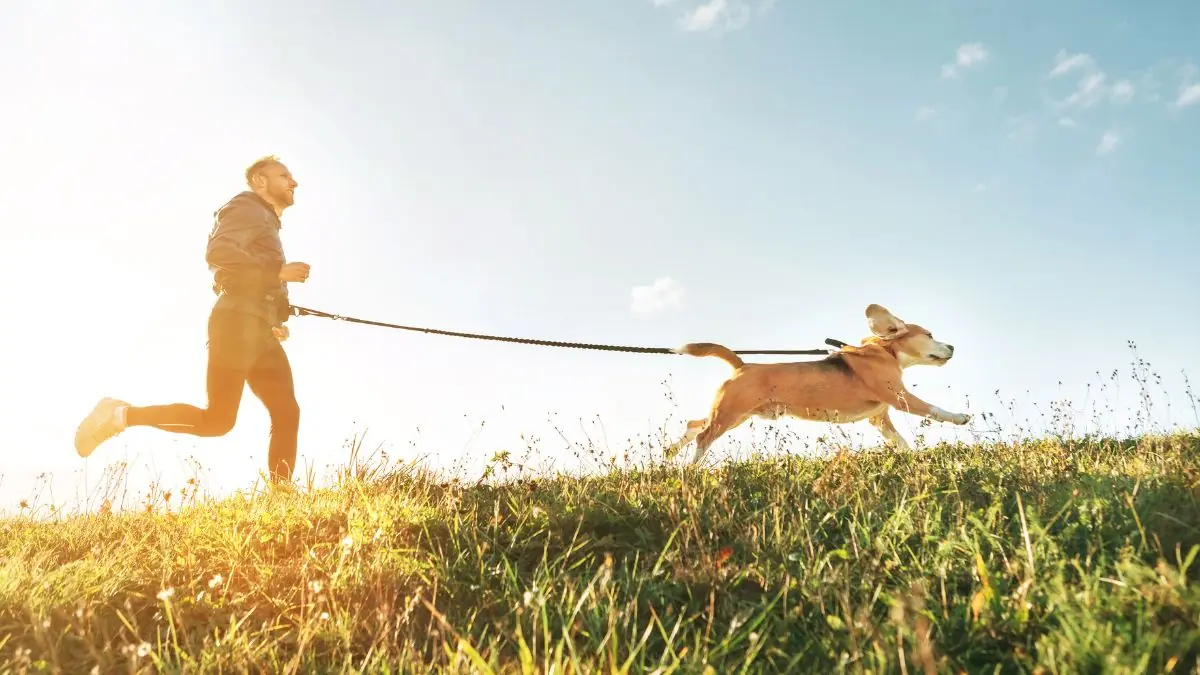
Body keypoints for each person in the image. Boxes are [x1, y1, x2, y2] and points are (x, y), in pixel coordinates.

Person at [74, 155, 312, 484]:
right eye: (284, 175)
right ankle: (119, 415)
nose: (293, 182)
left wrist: (277, 316)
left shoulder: (266, 222)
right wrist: (276, 272)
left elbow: (255, 279)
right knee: (217, 421)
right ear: (260, 181)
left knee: (287, 411)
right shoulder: (247, 208)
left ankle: (283, 497)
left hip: (259, 328)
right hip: (235, 324)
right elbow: (219, 254)